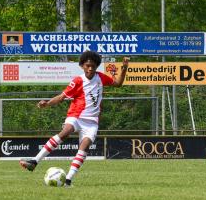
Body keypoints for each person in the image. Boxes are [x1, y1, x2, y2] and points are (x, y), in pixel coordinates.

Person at [20, 51, 129, 186]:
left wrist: (124, 69)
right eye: (87, 65)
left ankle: (68, 180)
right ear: (82, 66)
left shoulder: (101, 78)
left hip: (92, 121)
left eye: (93, 66)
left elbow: (118, 84)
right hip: (76, 116)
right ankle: (34, 161)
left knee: (85, 147)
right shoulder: (78, 81)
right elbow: (61, 97)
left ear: (96, 67)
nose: (90, 68)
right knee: (66, 132)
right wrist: (47, 103)